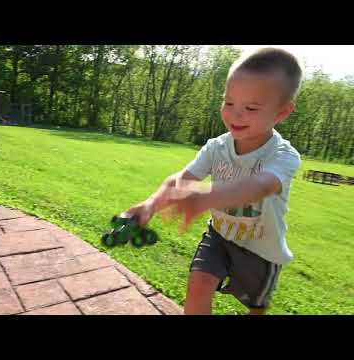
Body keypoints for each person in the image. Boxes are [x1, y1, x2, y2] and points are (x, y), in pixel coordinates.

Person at [125, 47, 303, 315]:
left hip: (262, 250)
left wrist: (207, 196)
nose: (235, 114)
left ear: (281, 112)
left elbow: (261, 185)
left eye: (251, 107)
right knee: (198, 284)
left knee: (255, 307)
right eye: (229, 103)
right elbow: (182, 179)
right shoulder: (216, 147)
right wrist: (150, 205)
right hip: (218, 236)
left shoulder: (283, 156)